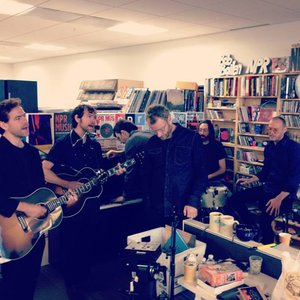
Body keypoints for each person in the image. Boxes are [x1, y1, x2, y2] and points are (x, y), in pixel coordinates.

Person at [42, 104, 123, 299]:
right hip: (71, 204)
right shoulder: (63, 144)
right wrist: (67, 183)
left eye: (95, 117)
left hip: (91, 203)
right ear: (77, 118)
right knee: (71, 244)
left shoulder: (94, 145)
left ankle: (86, 280)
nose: (94, 121)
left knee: (89, 241)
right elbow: (44, 169)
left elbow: (98, 173)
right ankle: (73, 285)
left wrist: (114, 171)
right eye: (90, 116)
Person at [0, 98, 75, 300]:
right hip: (7, 231)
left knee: (28, 283)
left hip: (34, 231)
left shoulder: (32, 153)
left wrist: (61, 193)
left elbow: (40, 189)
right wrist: (25, 207)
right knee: (10, 287)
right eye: (18, 118)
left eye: (24, 115)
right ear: (3, 124)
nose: (25, 121)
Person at [226, 116, 300, 244]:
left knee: (266, 220)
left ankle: (267, 248)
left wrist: (278, 199)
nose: (271, 132)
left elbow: (293, 180)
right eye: (269, 129)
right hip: (268, 188)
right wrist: (251, 179)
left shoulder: (295, 149)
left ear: (285, 130)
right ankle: (252, 227)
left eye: (275, 130)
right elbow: (266, 171)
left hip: (284, 195)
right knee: (234, 199)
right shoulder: (269, 147)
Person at [142, 104, 207, 229]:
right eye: (154, 131)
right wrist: (148, 203)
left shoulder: (191, 138)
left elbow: (201, 174)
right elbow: (146, 175)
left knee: (183, 246)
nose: (159, 135)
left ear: (170, 119)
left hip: (184, 207)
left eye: (161, 129)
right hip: (157, 209)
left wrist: (193, 201)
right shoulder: (152, 143)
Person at [106, 119, 153, 201]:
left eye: (118, 137)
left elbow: (130, 174)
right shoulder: (141, 134)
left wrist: (125, 196)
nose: (120, 142)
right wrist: (119, 153)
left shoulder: (131, 141)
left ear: (123, 132)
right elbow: (135, 150)